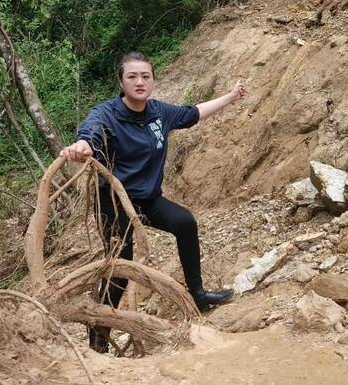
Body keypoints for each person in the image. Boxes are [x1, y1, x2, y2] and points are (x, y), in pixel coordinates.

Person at [59, 51, 246, 352]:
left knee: (185, 223)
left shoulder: (159, 112)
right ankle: (98, 333)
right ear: (121, 81)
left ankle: (197, 294)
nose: (139, 81)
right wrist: (80, 147)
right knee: (121, 265)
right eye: (132, 76)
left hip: (148, 199)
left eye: (145, 76)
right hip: (115, 204)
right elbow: (88, 136)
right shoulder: (105, 114)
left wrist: (230, 96)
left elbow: (193, 113)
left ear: (154, 81)